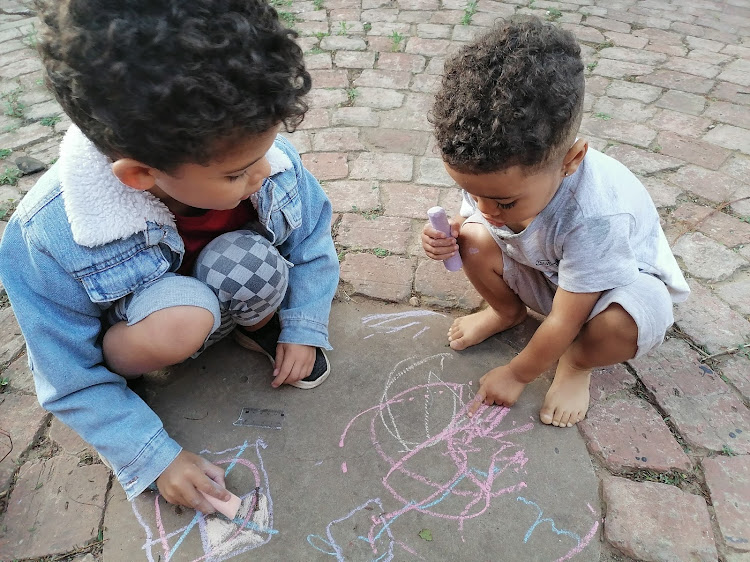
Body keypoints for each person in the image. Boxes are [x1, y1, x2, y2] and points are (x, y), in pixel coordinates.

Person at [0, 0, 339, 513]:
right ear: (140, 174)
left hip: (223, 283)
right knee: (185, 313)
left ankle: (257, 326)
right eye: (237, 173)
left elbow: (312, 241)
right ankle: (156, 360)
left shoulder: (255, 156)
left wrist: (302, 322)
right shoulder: (48, 234)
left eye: (267, 151)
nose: (267, 171)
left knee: (248, 259)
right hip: (153, 323)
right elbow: (66, 373)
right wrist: (152, 455)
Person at [422, 17, 689, 428]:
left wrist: (516, 374)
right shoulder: (495, 173)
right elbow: (474, 215)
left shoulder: (595, 214)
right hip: (548, 271)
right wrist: (453, 231)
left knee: (623, 325)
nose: (485, 207)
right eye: (472, 192)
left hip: (608, 292)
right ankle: (507, 313)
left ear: (571, 160)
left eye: (504, 201)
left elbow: (566, 318)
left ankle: (577, 363)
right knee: (473, 240)